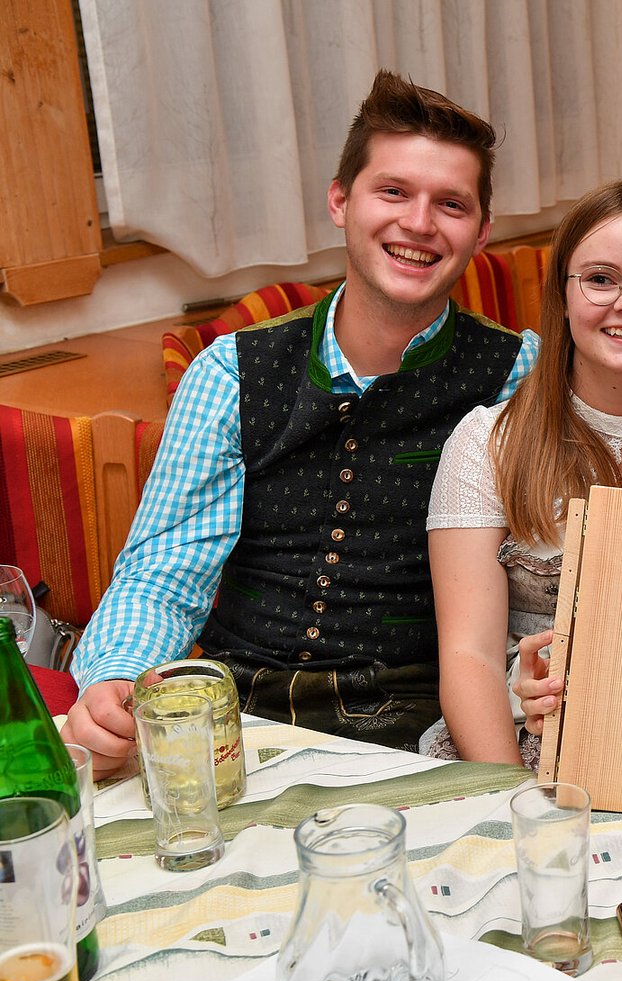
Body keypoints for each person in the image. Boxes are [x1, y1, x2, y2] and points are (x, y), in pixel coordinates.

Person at [63, 70, 537, 775]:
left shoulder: (514, 374)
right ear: (340, 201)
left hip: (414, 723)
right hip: (236, 710)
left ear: (482, 231)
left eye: (451, 204)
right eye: (393, 191)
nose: (419, 223)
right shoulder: (231, 372)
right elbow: (164, 575)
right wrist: (115, 681)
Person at [423, 182, 622, 767]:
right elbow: (470, 657)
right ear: (562, 295)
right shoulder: (487, 443)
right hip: (536, 738)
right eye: (601, 279)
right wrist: (515, 800)